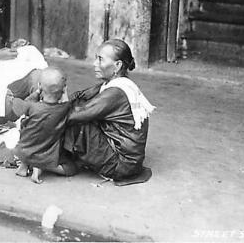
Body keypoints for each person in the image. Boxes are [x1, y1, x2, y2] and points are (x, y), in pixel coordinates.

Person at [64, 39, 155, 181]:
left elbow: (74, 115)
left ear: (117, 66)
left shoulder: (116, 92)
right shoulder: (116, 84)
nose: (95, 64)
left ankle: (43, 157)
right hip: (127, 162)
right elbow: (79, 96)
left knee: (73, 120)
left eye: (100, 60)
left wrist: (45, 109)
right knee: (75, 106)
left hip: (120, 165)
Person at [12, 67, 76, 184]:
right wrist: (65, 91)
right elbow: (68, 103)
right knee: (71, 168)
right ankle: (40, 166)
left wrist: (36, 92)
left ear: (40, 86)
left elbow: (20, 106)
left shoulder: (32, 107)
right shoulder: (63, 109)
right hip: (45, 154)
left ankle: (25, 165)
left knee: (28, 127)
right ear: (62, 90)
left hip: (23, 150)